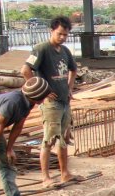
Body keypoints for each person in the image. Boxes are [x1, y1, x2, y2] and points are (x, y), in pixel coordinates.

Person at [21, 16, 78, 185]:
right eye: (59, 34)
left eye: (65, 35)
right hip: (51, 103)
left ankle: (64, 173)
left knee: (63, 138)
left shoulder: (65, 51)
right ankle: (45, 177)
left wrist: (69, 88)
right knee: (49, 139)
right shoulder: (41, 49)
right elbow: (25, 70)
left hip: (64, 101)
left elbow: (73, 70)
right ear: (51, 31)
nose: (62, 38)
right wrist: (41, 92)